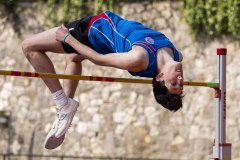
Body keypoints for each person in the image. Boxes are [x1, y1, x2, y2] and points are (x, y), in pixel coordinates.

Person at [21, 10, 184, 150]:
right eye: (180, 84)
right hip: (105, 39)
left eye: (174, 83)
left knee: (29, 47)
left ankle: (62, 102)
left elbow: (99, 59)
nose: (180, 78)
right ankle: (65, 108)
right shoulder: (177, 55)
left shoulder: (139, 58)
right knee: (73, 58)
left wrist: (68, 39)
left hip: (93, 31)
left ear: (160, 77)